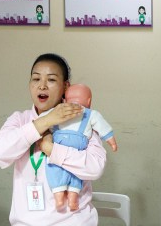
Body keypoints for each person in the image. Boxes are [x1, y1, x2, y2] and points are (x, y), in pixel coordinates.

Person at [0, 53, 107, 226]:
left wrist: (52, 149)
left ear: (65, 86)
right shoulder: (20, 120)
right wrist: (45, 122)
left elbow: (95, 167)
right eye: (36, 79)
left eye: (51, 79)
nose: (42, 85)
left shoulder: (82, 119)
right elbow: (0, 151)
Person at [43, 83, 115, 211]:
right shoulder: (90, 114)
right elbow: (102, 126)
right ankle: (73, 198)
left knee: (54, 168)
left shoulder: (58, 111)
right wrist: (111, 140)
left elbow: (44, 119)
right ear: (89, 101)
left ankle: (59, 197)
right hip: (79, 144)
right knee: (76, 172)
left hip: (59, 141)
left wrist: (40, 128)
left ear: (65, 99)